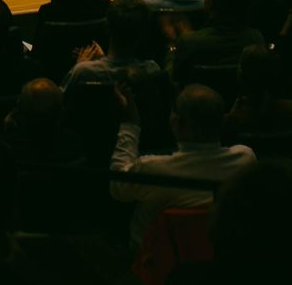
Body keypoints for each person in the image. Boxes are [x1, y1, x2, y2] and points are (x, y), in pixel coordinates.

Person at [109, 84, 254, 241]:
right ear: (223, 119)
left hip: (155, 260)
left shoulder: (152, 168)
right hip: (221, 255)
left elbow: (118, 188)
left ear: (176, 122)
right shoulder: (245, 160)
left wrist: (130, 125)